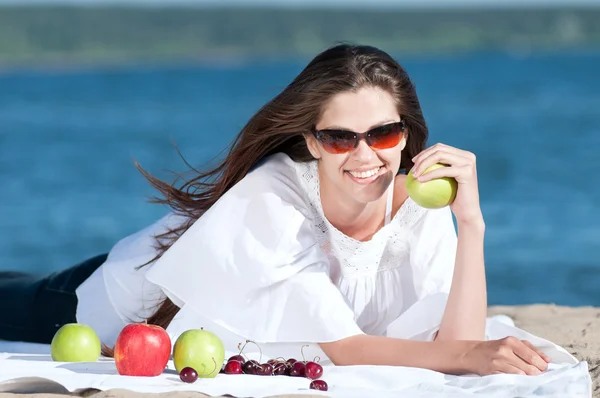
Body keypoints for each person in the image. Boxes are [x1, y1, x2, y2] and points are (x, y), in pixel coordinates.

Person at [0, 43, 576, 377]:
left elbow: (458, 337)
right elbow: (346, 349)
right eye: (340, 138)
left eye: (382, 133)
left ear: (407, 135)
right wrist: (471, 355)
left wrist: (470, 222)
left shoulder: (420, 202)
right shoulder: (273, 198)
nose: (365, 155)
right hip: (100, 302)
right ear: (310, 141)